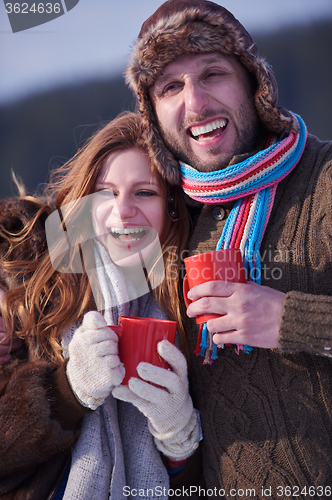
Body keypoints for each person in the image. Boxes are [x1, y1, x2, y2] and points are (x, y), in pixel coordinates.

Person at [124, 0, 332, 496]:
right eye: (170, 87)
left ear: (253, 84)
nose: (195, 103)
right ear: (152, 112)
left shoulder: (325, 180)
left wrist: (294, 320)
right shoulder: (165, 217)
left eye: (212, 73)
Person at [0, 112, 201, 499]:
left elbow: (204, 484)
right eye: (106, 193)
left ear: (172, 206)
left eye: (144, 193)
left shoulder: (188, 302)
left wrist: (179, 437)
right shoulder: (24, 276)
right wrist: (68, 389)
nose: (123, 210)